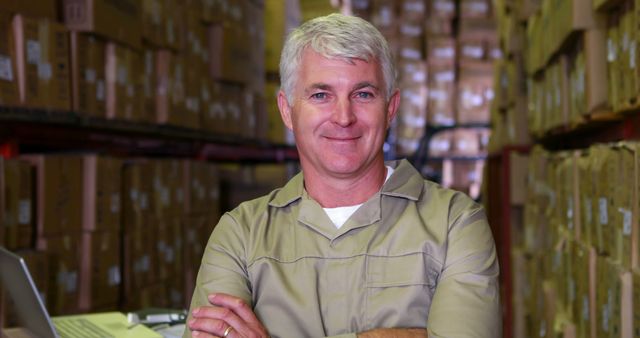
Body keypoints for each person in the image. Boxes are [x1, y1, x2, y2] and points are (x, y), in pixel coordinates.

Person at [184, 13, 500, 338]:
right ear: (286, 109)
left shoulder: (455, 224)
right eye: (321, 95)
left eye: (363, 94)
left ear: (390, 108)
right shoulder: (240, 235)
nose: (344, 117)